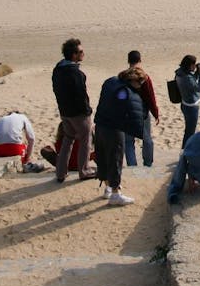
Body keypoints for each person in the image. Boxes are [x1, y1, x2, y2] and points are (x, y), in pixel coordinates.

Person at [93, 68, 145, 206]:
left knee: (103, 157)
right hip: (113, 128)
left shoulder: (111, 82)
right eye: (140, 82)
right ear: (133, 80)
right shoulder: (123, 92)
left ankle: (108, 188)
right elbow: (125, 107)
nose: (140, 85)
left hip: (100, 124)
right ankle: (115, 193)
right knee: (115, 159)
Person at [52, 38, 96, 182]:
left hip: (65, 111)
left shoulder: (58, 70)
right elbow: (81, 95)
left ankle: (60, 172)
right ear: (74, 54)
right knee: (85, 139)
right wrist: (87, 111)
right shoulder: (75, 73)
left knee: (68, 139)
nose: (83, 54)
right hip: (78, 113)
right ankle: (84, 170)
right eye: (81, 52)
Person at [124, 50, 160, 168]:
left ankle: (132, 165)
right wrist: (155, 113)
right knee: (147, 139)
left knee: (129, 142)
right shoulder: (144, 77)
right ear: (140, 60)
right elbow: (151, 97)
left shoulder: (123, 76)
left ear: (128, 61)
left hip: (127, 113)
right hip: (142, 113)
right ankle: (148, 164)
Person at [175, 54, 200, 149]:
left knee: (188, 130)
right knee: (190, 132)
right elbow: (199, 88)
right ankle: (185, 152)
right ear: (189, 65)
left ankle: (185, 151)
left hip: (185, 104)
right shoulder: (187, 77)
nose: (195, 66)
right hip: (191, 107)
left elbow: (192, 81)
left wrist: (197, 72)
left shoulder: (180, 72)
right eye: (194, 65)